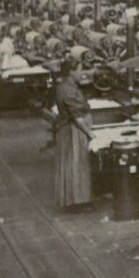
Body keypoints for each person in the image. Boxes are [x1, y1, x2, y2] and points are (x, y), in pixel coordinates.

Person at [53, 68, 95, 211]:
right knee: (77, 165)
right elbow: (77, 117)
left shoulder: (62, 86)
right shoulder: (69, 91)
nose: (81, 73)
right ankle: (78, 202)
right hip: (74, 132)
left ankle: (70, 200)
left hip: (66, 130)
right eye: (79, 70)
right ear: (71, 71)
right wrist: (89, 133)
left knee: (69, 166)